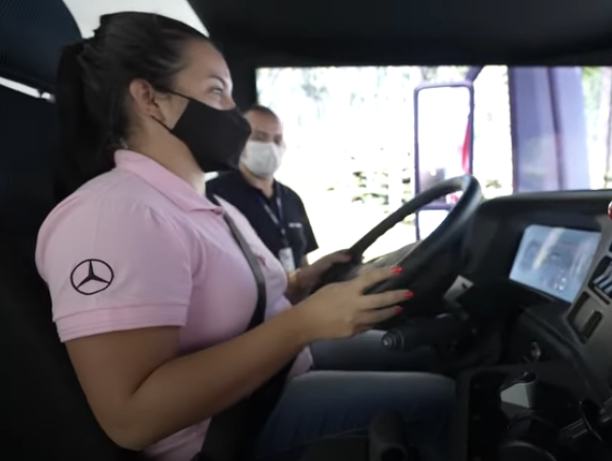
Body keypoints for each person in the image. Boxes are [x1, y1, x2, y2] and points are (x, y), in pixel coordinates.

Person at [37, 12, 452, 461]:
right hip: (224, 430)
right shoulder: (114, 217)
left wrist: (297, 287)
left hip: (269, 382)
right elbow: (132, 418)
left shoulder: (201, 203)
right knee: (441, 398)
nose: (232, 114)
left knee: (431, 352)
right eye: (216, 91)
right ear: (150, 99)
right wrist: (303, 322)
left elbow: (222, 304)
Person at [206, 106, 317, 273]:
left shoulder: (291, 199)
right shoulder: (214, 196)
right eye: (260, 137)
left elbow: (302, 259)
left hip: (298, 298)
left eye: (277, 139)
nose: (270, 146)